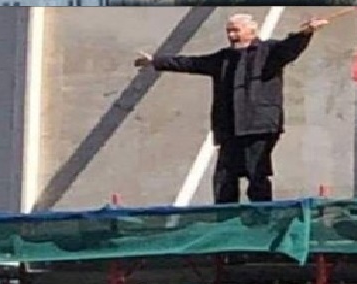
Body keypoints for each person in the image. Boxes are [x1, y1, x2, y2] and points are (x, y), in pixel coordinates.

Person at [135, 13, 328, 204]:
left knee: (256, 174)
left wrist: (306, 33)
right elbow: (191, 63)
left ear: (252, 30)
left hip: (259, 127)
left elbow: (291, 47)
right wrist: (156, 61)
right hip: (229, 128)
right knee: (224, 178)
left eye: (236, 30)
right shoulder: (223, 58)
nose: (231, 35)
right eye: (229, 31)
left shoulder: (269, 51)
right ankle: (224, 217)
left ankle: (261, 216)